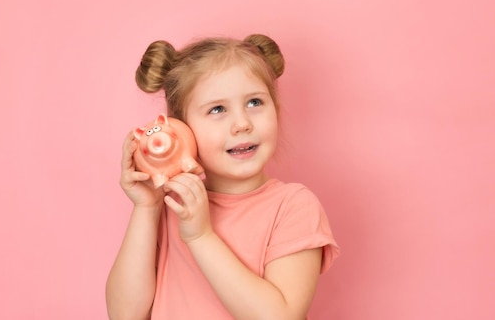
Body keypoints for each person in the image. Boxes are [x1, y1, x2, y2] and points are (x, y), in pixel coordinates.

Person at [106, 34, 339, 319]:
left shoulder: (293, 207)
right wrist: (146, 207)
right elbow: (124, 314)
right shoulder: (171, 205)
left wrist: (201, 237)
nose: (242, 123)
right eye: (217, 109)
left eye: (255, 102)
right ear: (181, 127)